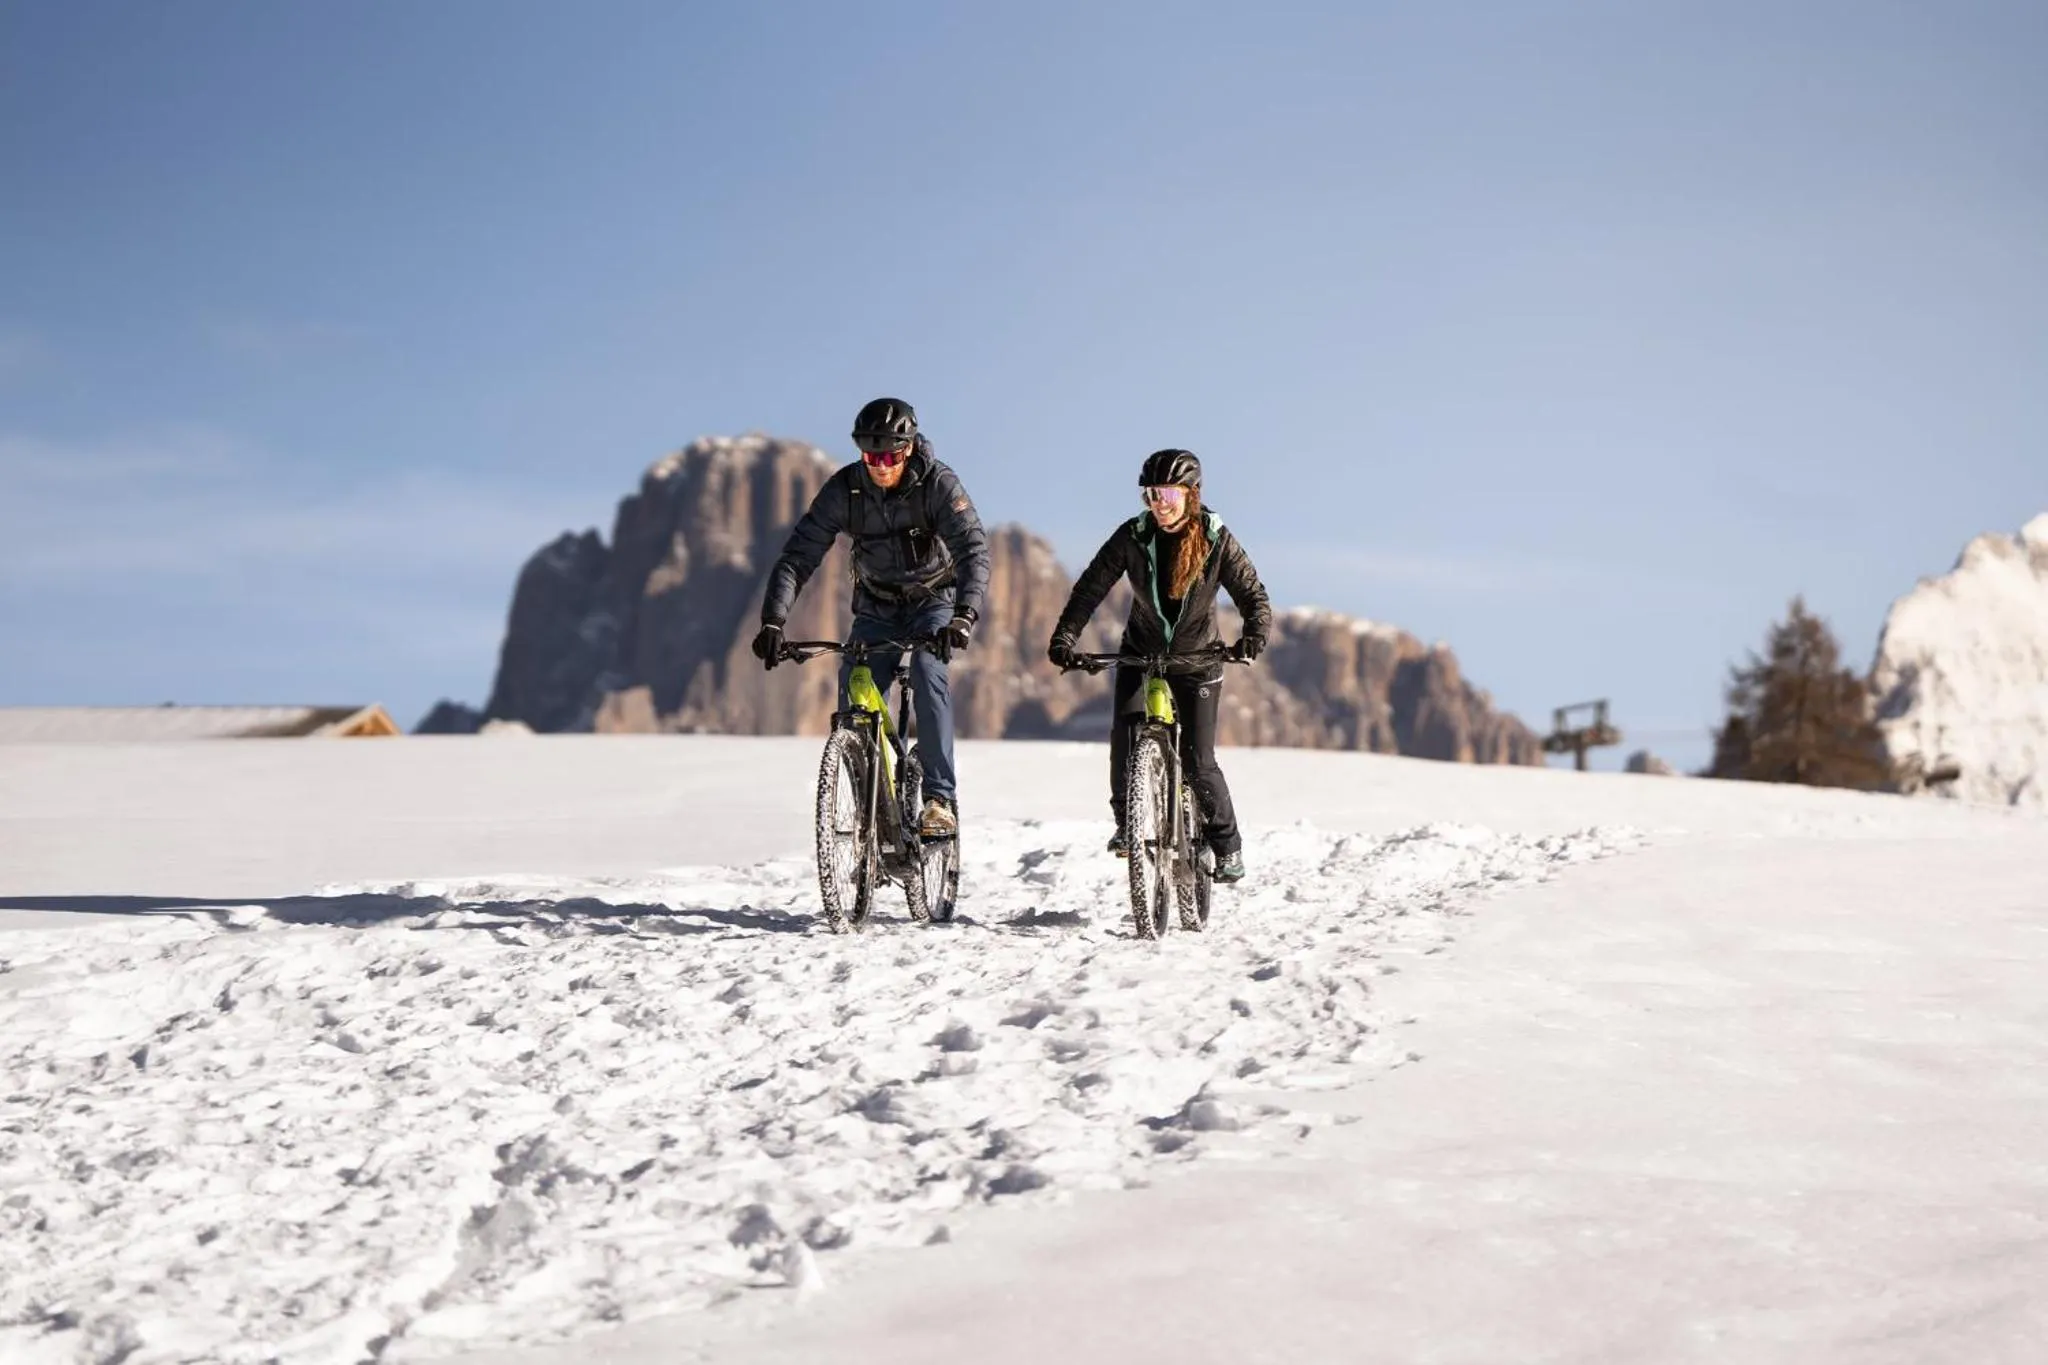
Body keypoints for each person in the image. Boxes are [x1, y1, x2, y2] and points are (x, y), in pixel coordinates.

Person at [753, 398, 989, 837]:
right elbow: (797, 558)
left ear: (909, 447)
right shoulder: (845, 490)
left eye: (890, 456)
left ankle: (939, 799)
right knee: (854, 691)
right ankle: (871, 810)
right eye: (870, 455)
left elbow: (973, 550)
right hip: (876, 608)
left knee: (926, 670)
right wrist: (773, 621)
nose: (880, 466)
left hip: (933, 600)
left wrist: (963, 615)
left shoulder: (938, 483)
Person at [1046, 449, 1270, 884]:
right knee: (1125, 739)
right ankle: (1128, 825)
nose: (1158, 502)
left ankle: (1227, 846)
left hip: (1198, 660)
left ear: (1191, 493)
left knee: (1197, 760)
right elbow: (1091, 587)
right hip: (1141, 654)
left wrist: (1253, 636)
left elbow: (1253, 596)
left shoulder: (1216, 538)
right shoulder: (1133, 535)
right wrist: (1065, 637)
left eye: (1167, 493)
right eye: (1150, 493)